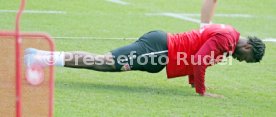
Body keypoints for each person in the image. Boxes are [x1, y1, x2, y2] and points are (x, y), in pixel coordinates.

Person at [24, 24, 266, 98]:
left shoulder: (229, 36)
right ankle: (40, 57)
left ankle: (39, 57)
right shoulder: (227, 40)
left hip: (159, 50)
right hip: (158, 49)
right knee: (104, 62)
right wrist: (202, 92)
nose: (242, 61)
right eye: (247, 59)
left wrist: (194, 84)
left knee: (104, 63)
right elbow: (201, 59)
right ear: (247, 47)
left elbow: (196, 56)